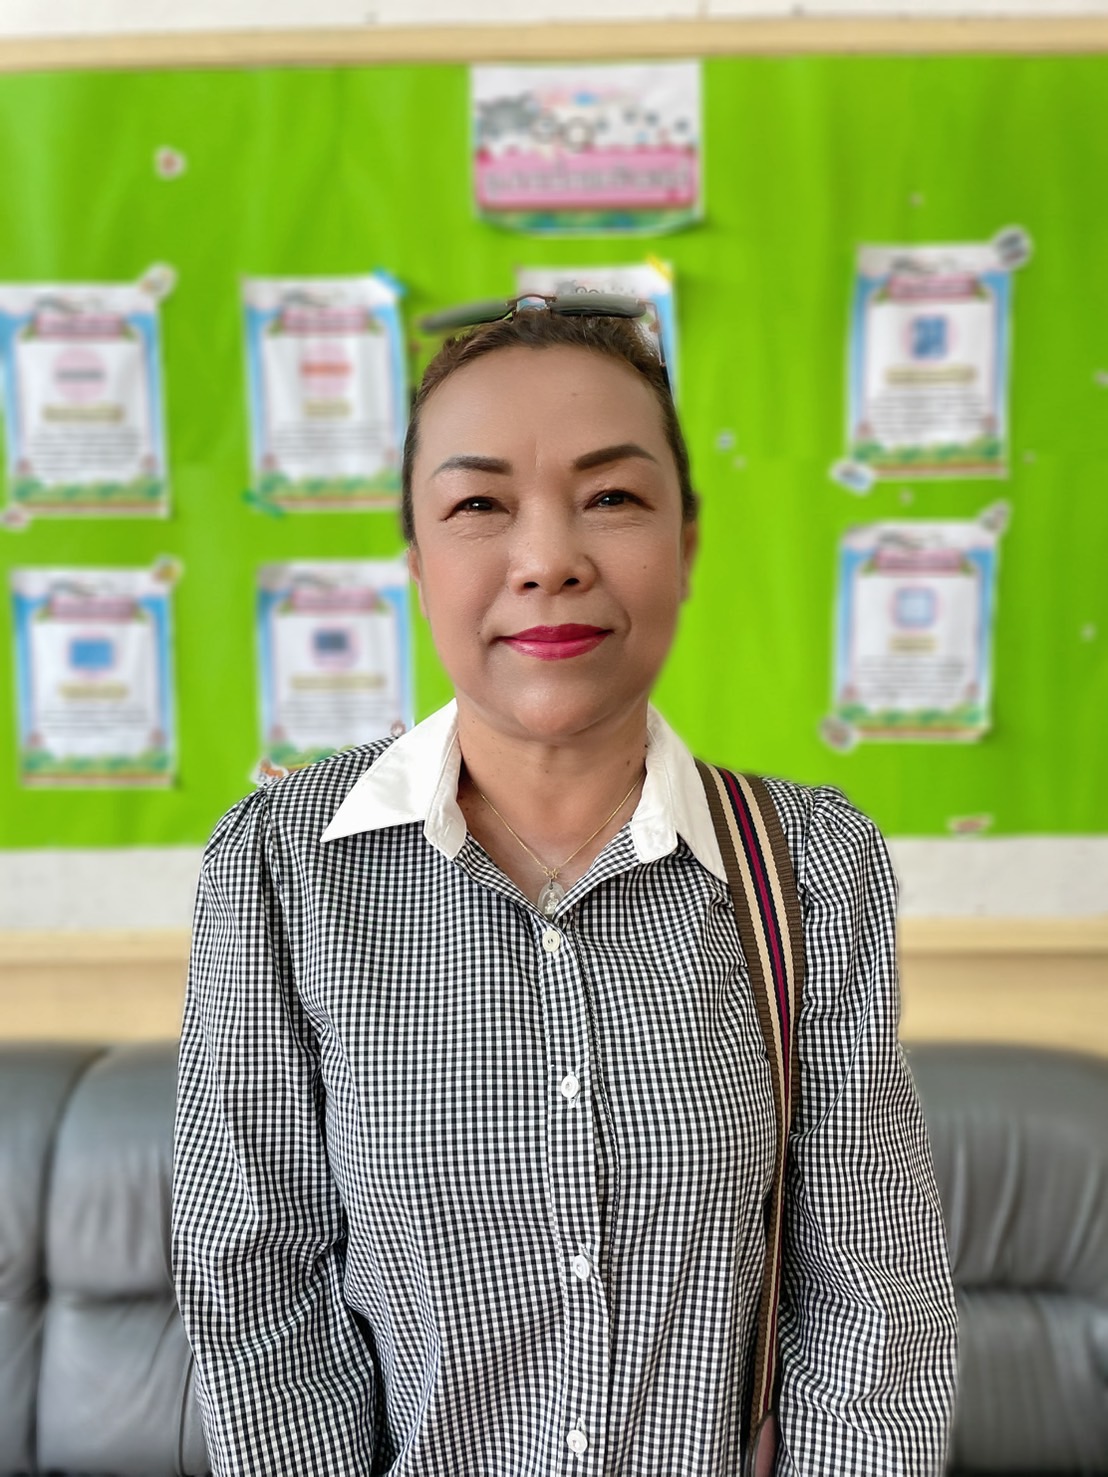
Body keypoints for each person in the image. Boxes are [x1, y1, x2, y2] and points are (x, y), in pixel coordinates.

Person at [172, 302, 958, 1476]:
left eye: (612, 496)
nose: (548, 558)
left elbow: (873, 1304)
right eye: (478, 505)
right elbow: (256, 1284)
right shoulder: (281, 867)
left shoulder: (812, 863)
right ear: (416, 560)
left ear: (685, 543)